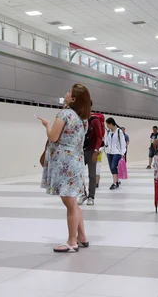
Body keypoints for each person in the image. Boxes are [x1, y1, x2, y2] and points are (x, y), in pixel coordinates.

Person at [39, 84, 91, 253]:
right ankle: (82, 237)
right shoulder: (83, 119)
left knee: (70, 204)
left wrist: (47, 125)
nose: (66, 93)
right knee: (73, 202)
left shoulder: (64, 114)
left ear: (74, 99)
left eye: (69, 92)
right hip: (75, 161)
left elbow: (53, 137)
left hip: (64, 163)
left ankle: (72, 241)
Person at [82, 102, 104, 206]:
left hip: (91, 150)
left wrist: (96, 151)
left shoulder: (94, 121)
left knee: (92, 175)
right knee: (78, 174)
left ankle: (91, 196)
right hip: (80, 151)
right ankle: (82, 194)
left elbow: (99, 137)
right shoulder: (79, 119)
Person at [104, 118, 126, 190]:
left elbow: (123, 143)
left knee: (113, 167)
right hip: (109, 152)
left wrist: (123, 153)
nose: (107, 126)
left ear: (111, 123)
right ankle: (117, 181)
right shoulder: (108, 132)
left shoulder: (119, 131)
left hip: (117, 152)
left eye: (107, 124)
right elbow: (106, 142)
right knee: (111, 168)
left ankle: (114, 183)